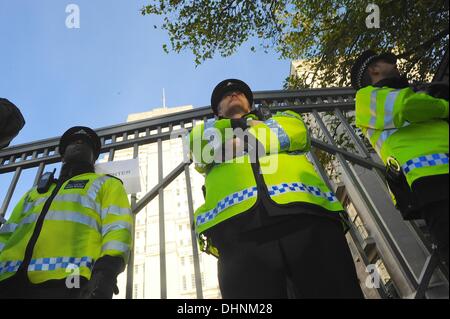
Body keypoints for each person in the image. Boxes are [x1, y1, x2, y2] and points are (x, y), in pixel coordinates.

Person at [188, 79, 364, 298]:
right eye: (226, 95)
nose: (233, 94)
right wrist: (258, 135)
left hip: (306, 217)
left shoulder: (284, 119)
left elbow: (296, 134)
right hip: (237, 232)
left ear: (251, 106)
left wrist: (230, 146)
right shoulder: (202, 131)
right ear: (217, 113)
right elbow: (200, 149)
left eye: (239, 92)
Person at [0, 126, 133, 298]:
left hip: (69, 282)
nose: (79, 144)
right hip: (7, 281)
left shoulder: (106, 184)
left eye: (86, 143)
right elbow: (7, 232)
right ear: (62, 154)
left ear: (94, 156)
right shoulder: (35, 192)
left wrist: (106, 272)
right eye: (73, 142)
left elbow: (118, 228)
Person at [351, 50, 449, 267]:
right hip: (430, 178)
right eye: (389, 61)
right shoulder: (366, 97)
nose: (396, 64)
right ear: (373, 69)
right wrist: (444, 107)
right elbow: (408, 107)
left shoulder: (408, 93)